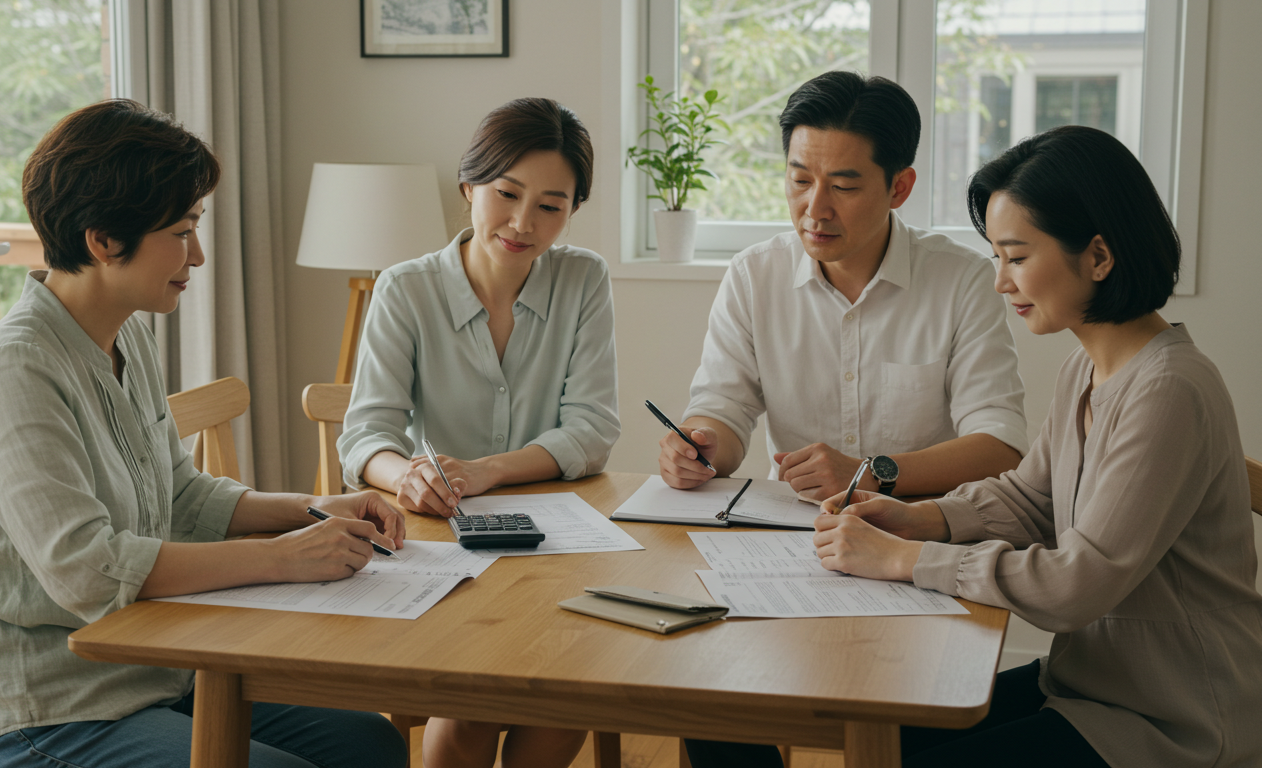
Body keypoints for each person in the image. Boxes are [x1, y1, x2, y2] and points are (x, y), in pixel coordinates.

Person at [692, 125, 1262, 767]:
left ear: (1099, 257)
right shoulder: (1090, 368)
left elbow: (1079, 584)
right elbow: (1031, 496)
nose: (1000, 281)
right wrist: (917, 518)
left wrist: (904, 559)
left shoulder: (1169, 389)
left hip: (1170, 720)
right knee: (865, 735)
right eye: (995, 257)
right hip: (1089, 687)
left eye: (1016, 257)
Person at [0, 99, 409, 768]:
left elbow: (181, 497)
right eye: (182, 230)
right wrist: (285, 556)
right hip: (49, 713)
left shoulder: (124, 332)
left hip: (155, 670)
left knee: (370, 742)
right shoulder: (15, 366)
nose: (198, 253)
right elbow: (86, 568)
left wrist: (313, 510)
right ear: (103, 239)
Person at [338, 97, 618, 768]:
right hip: (436, 543)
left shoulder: (583, 279)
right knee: (468, 706)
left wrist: (489, 470)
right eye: (507, 193)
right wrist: (405, 473)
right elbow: (366, 436)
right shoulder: (404, 289)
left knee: (561, 701)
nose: (523, 222)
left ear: (573, 211)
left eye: (551, 205)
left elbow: (593, 428)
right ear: (468, 188)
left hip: (555, 547)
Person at [658, 71, 1027, 501]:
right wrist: (700, 448)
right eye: (800, 181)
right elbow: (725, 408)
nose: (814, 209)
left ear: (899, 187)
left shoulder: (961, 279)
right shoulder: (753, 275)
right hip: (792, 528)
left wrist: (868, 474)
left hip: (919, 531)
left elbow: (1000, 447)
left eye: (843, 186)